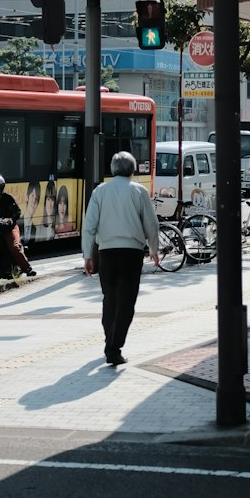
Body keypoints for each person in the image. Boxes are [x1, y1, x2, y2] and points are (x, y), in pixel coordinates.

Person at [81, 151, 159, 366]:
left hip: (106, 252)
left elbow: (89, 226)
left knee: (110, 298)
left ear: (113, 169)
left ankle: (110, 341)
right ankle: (114, 348)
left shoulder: (100, 191)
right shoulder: (139, 191)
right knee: (126, 301)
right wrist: (154, 248)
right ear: (133, 170)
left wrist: (88, 254)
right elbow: (151, 223)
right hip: (132, 252)